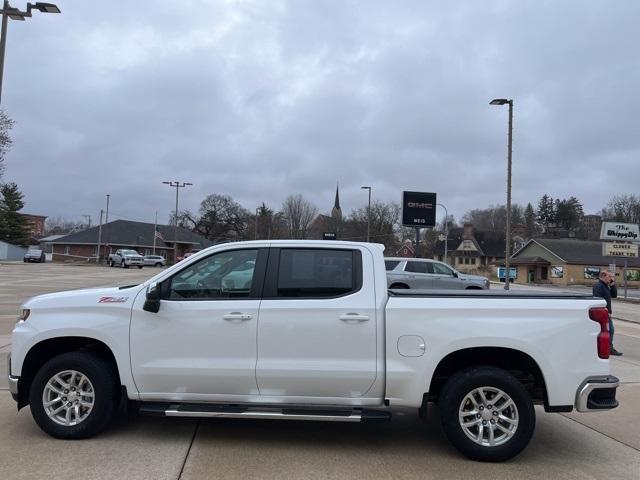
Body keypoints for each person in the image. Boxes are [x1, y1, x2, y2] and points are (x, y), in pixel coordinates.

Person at [592, 270, 622, 356]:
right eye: (609, 276)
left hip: (606, 313)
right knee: (609, 330)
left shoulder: (606, 286)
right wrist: (604, 311)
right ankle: (608, 348)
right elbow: (598, 300)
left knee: (609, 330)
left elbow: (614, 295)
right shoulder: (599, 286)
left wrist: (612, 285)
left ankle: (608, 347)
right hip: (603, 313)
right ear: (603, 276)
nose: (611, 278)